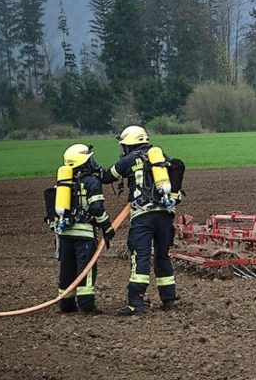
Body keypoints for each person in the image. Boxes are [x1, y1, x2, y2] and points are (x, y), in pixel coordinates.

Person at [101, 125, 182, 316]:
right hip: (165, 214)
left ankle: (135, 304)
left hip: (143, 216)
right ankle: (169, 301)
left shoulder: (128, 160)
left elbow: (107, 177)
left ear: (129, 145)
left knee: (141, 257)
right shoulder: (161, 156)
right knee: (163, 256)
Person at [53, 143, 116, 314]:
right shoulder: (91, 181)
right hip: (84, 234)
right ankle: (86, 306)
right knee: (86, 268)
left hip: (64, 233)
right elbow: (96, 208)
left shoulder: (63, 182)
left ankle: (66, 304)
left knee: (67, 268)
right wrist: (107, 227)